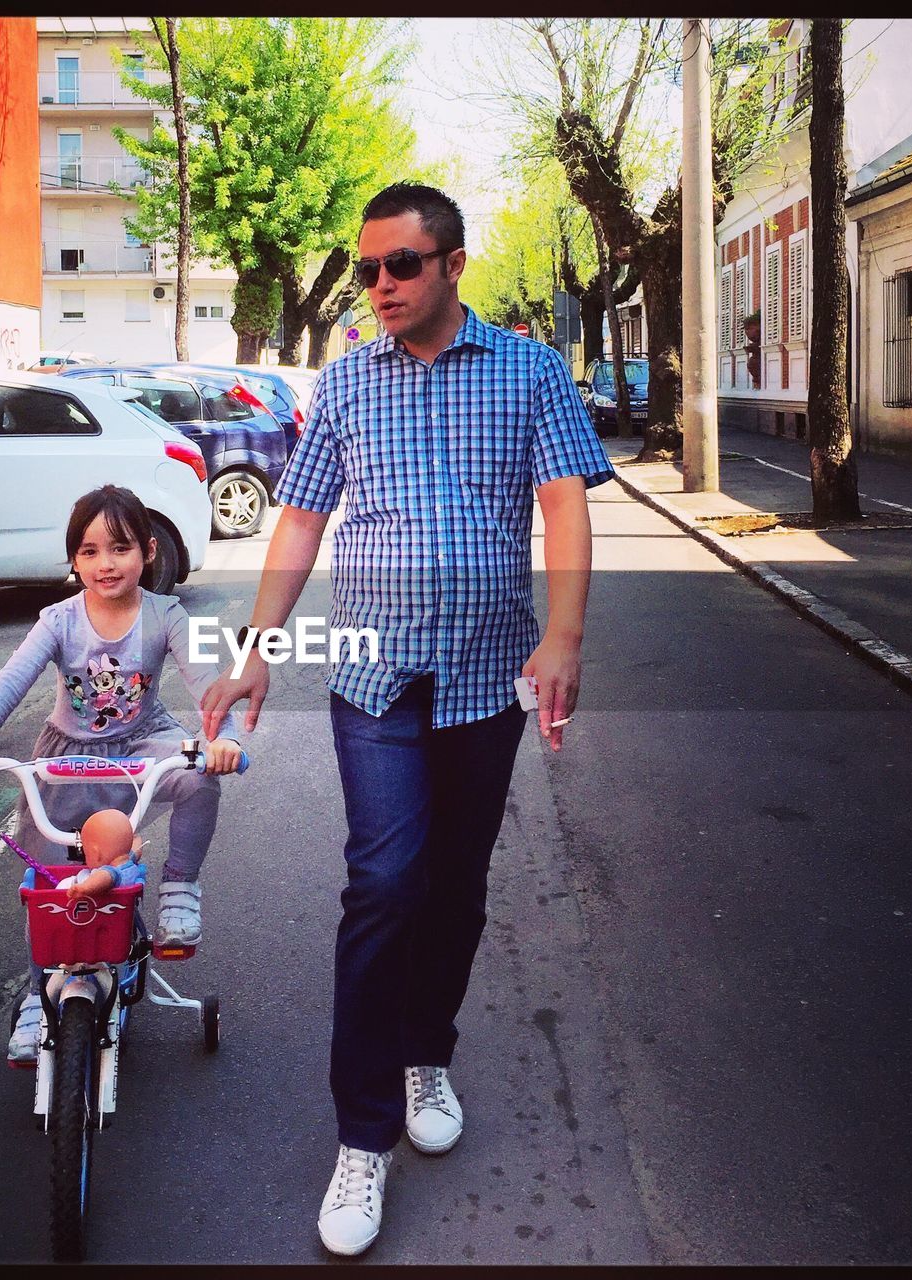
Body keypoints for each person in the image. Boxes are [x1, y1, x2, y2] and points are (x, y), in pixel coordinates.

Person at [200, 182, 614, 1256]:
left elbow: (564, 498)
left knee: (455, 887)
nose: (377, 284)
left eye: (400, 265)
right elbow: (299, 517)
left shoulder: (527, 371)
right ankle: (362, 1133)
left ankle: (425, 1047)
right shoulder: (342, 383)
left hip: (484, 676)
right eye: (367, 267)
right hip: (374, 680)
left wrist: (561, 634)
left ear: (451, 265)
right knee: (383, 880)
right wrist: (255, 650)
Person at [0, 484, 244, 1063]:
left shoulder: (164, 614)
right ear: (74, 560)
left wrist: (221, 739)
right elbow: (10, 681)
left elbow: (204, 682)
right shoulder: (59, 620)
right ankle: (35, 996)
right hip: (65, 760)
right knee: (46, 891)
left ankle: (178, 886)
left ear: (148, 551)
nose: (106, 564)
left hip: (139, 748)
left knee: (199, 776)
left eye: (120, 548)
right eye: (91, 551)